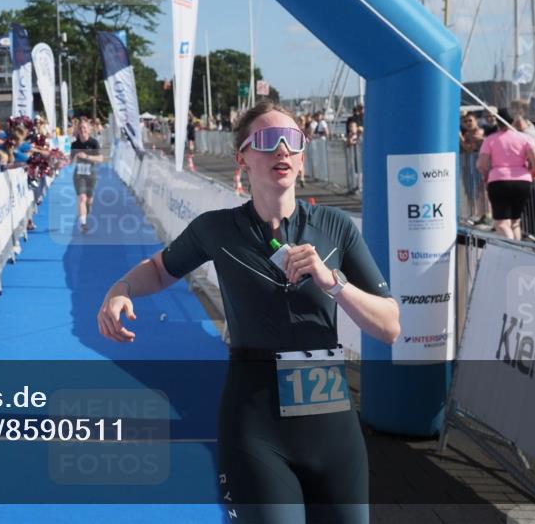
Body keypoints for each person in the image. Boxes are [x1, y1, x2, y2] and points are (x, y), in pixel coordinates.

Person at [97, 102, 399, 523]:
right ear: (242, 157)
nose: (281, 150)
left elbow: (389, 326)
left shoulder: (336, 228)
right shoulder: (217, 228)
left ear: (302, 154)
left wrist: (334, 282)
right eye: (266, 141)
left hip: (333, 428)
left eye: (292, 141)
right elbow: (160, 269)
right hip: (256, 427)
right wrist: (121, 288)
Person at [476, 106, 535, 240]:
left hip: (498, 181)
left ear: (497, 121)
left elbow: (481, 164)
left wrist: (485, 175)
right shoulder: (526, 138)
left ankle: (512, 250)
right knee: (515, 222)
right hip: (522, 181)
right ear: (513, 121)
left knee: (501, 224)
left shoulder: (490, 139)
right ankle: (518, 252)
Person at [70, 119, 103, 233]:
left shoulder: (94, 143)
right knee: (82, 198)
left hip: (91, 173)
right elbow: (70, 160)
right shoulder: (74, 144)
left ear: (88, 129)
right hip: (79, 174)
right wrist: (62, 161)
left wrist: (87, 157)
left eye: (84, 128)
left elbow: (100, 159)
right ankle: (83, 224)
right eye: (80, 128)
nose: (82, 130)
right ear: (78, 131)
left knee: (89, 200)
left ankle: (87, 209)